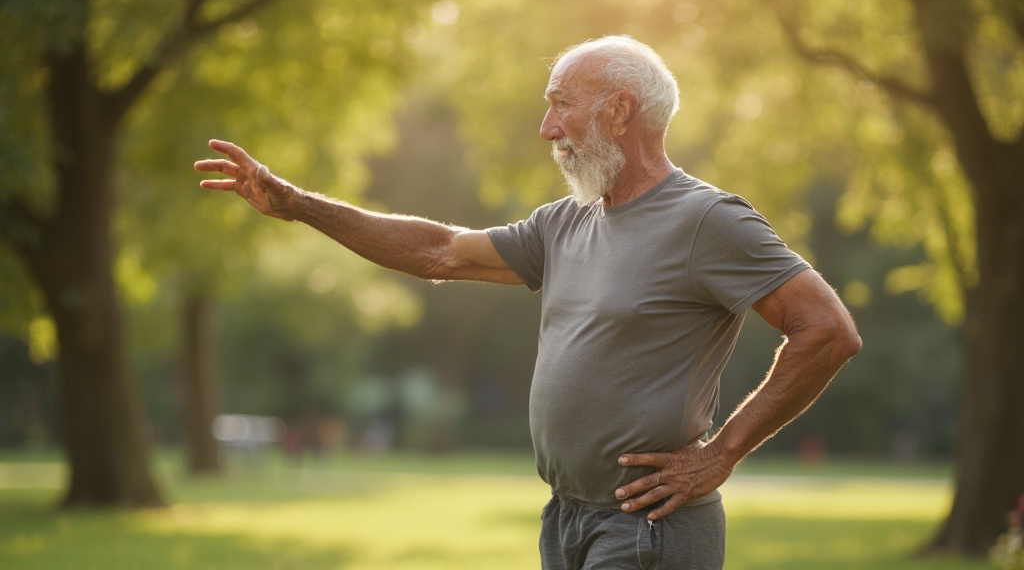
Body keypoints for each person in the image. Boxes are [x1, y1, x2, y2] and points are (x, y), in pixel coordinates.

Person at [195, 35, 861, 569]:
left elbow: (827, 331)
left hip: (647, 530)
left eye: (561, 104)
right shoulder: (565, 223)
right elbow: (440, 252)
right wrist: (298, 205)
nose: (547, 128)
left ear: (620, 111)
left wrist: (722, 454)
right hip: (566, 519)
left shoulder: (707, 221)